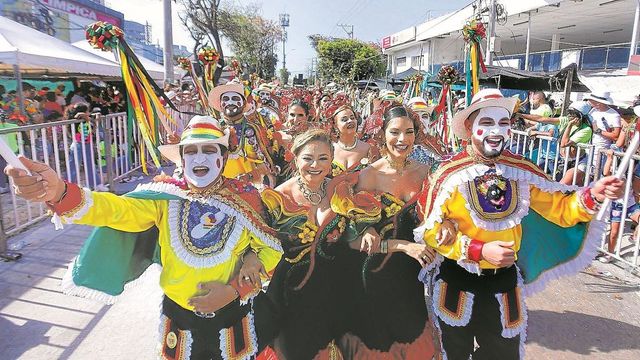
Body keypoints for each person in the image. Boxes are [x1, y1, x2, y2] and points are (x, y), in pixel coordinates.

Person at [4, 115, 283, 359]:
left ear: (223, 158)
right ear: (182, 158)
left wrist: (235, 288)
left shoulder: (246, 198)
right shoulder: (164, 197)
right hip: (179, 316)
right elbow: (115, 210)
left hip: (233, 314)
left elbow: (270, 248)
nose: (199, 159)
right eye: (191, 151)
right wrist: (59, 193)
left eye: (209, 150)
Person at [414, 88, 624, 360]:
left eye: (504, 123)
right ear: (469, 126)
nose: (496, 131)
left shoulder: (521, 171)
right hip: (457, 279)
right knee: (453, 353)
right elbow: (429, 231)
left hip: (503, 283)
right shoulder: (447, 173)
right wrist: (478, 251)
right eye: (487, 123)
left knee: (503, 354)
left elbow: (560, 209)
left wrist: (593, 194)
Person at [337, 103, 446, 358]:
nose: (402, 139)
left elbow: (438, 217)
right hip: (376, 274)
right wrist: (404, 246)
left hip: (411, 276)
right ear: (382, 133)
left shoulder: (426, 173)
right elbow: (356, 241)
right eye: (395, 132)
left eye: (409, 132)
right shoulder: (369, 175)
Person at [258, 129, 355, 359]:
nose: (315, 165)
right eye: (308, 158)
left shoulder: (341, 191)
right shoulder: (277, 198)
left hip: (335, 289)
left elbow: (355, 232)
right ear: (295, 157)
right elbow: (259, 243)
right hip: (290, 294)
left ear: (332, 160)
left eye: (323, 158)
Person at [208, 81, 278, 187]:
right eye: (226, 99)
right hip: (218, 186)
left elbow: (264, 166)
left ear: (244, 104)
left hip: (248, 187)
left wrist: (248, 177)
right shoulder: (215, 127)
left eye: (235, 99)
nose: (230, 103)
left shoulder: (251, 129)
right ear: (220, 104)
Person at [325, 96, 375, 177]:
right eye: (344, 119)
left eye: (352, 118)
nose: (350, 121)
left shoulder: (368, 148)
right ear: (335, 126)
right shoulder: (328, 148)